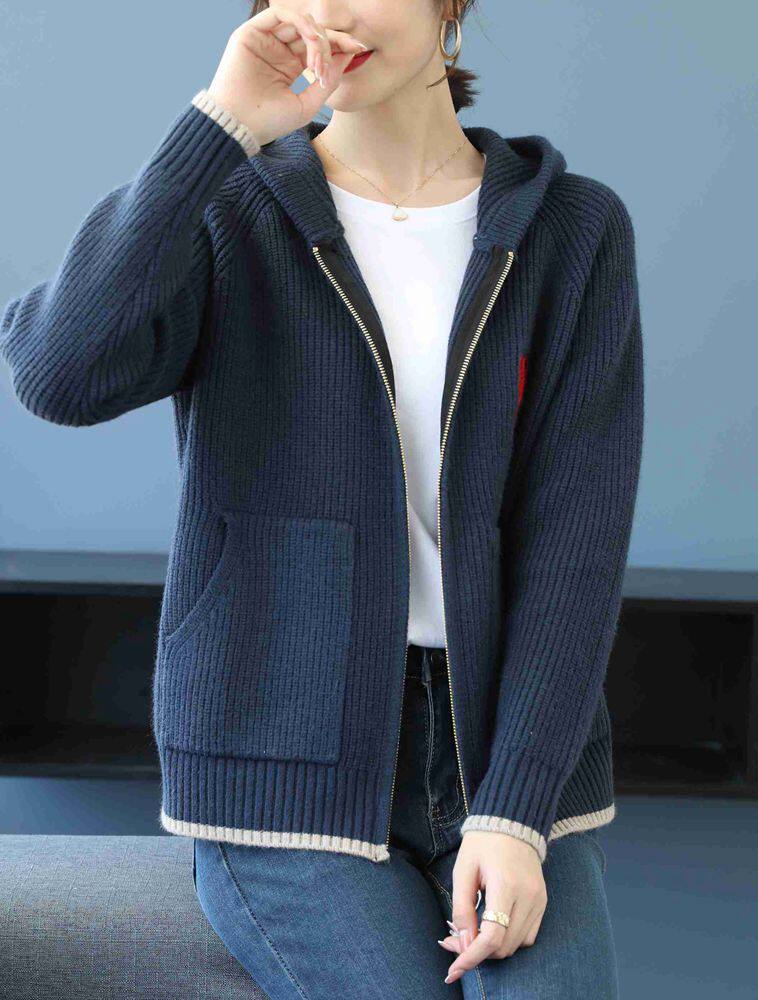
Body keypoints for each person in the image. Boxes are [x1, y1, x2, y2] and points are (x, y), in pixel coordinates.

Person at [0, 1, 643, 995]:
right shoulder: (230, 208)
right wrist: (220, 127)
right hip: (277, 750)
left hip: (504, 745)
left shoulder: (571, 228)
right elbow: (60, 375)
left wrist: (516, 812)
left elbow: (576, 543)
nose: (333, 13)